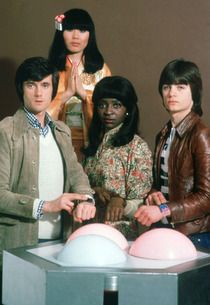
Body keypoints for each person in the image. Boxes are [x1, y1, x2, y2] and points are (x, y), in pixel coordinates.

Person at [0, 56, 96, 301]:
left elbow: (78, 175)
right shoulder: (6, 131)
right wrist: (46, 206)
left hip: (60, 243)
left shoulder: (61, 131)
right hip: (18, 243)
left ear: (54, 89)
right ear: (21, 88)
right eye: (31, 85)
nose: (39, 92)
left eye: (45, 85)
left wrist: (86, 200)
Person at [134, 59, 210, 249]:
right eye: (167, 87)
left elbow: (207, 196)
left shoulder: (200, 134)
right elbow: (160, 183)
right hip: (165, 230)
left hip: (194, 234)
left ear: (194, 91)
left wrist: (163, 209)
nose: (172, 93)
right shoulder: (164, 133)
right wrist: (153, 195)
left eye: (181, 87)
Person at [83, 76, 153, 240]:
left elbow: (143, 204)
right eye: (102, 105)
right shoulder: (94, 144)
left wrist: (120, 202)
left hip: (123, 237)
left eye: (116, 105)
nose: (108, 111)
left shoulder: (137, 147)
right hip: (90, 232)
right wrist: (94, 191)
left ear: (127, 109)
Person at [47, 8, 111, 161]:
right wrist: (66, 95)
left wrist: (84, 95)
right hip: (56, 142)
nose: (76, 36)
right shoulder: (48, 70)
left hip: (91, 143)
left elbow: (112, 110)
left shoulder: (101, 70)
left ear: (90, 34)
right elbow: (37, 113)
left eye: (82, 30)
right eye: (69, 29)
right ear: (60, 32)